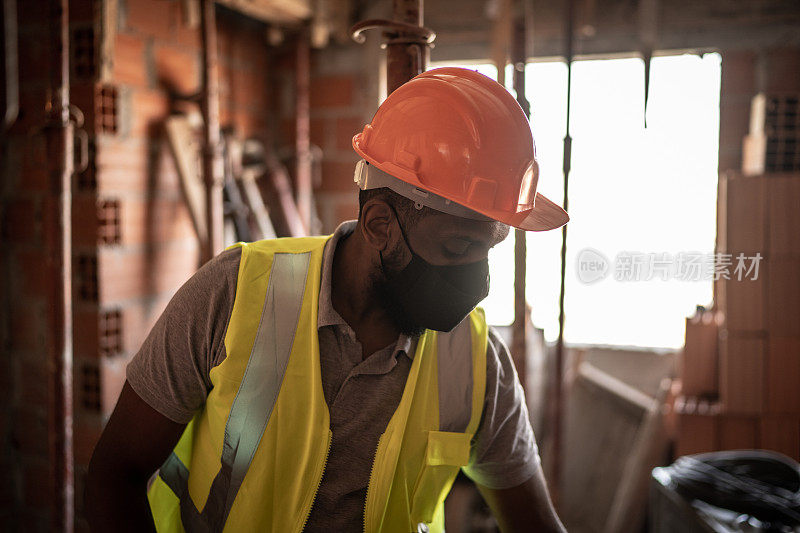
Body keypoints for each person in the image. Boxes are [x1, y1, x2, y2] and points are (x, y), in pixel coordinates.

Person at [86, 67, 569, 533]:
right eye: (458, 248)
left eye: (489, 248)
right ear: (380, 225)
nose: (478, 280)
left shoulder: (476, 360)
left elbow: (534, 521)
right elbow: (115, 475)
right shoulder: (234, 294)